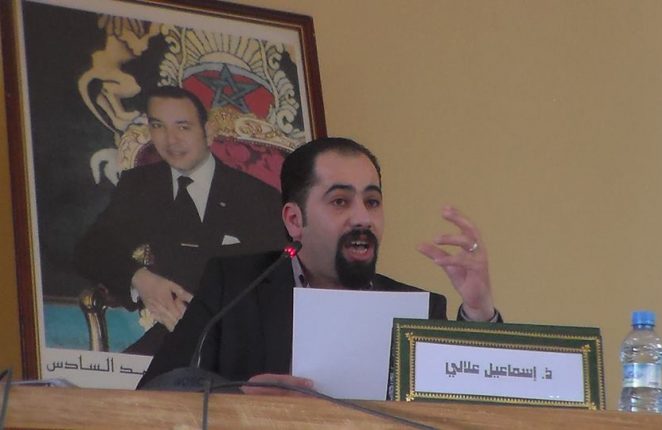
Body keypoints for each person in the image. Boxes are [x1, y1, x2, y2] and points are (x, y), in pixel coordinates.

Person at [138, 137, 501, 392]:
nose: (363, 218)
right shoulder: (235, 287)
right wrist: (239, 395)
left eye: (372, 202)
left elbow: (473, 405)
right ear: (294, 220)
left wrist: (478, 311)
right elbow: (160, 387)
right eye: (340, 201)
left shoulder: (418, 311)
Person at [74, 86, 286, 355]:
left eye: (183, 127)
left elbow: (279, 277)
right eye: (158, 126)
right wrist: (141, 280)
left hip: (239, 340)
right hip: (169, 337)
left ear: (208, 132)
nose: (171, 140)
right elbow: (91, 249)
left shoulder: (257, 196)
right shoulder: (141, 186)